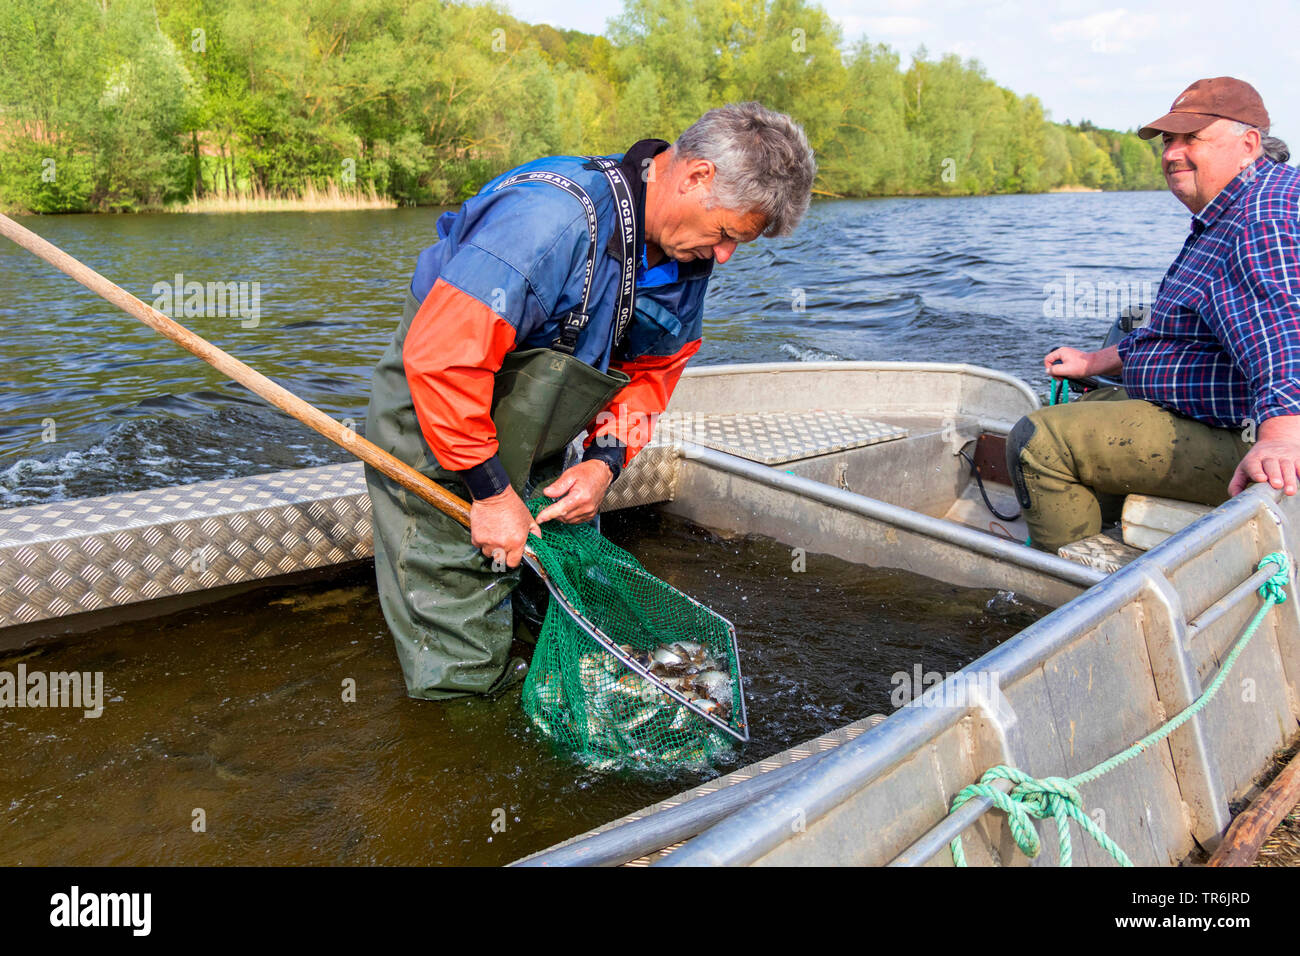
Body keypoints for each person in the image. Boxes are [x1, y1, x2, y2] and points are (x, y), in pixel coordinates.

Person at [365, 102, 816, 698]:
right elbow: (446, 358)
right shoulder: (549, 220)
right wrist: (492, 492)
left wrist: (604, 462)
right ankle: (466, 718)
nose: (725, 255)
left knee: (555, 595)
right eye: (729, 233)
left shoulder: (686, 251)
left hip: (537, 424)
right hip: (439, 419)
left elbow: (653, 372)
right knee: (458, 628)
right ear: (697, 176)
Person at [1007, 77, 1299, 554]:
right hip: (1222, 416)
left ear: (1248, 144)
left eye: (1192, 138)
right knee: (1069, 412)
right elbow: (1179, 331)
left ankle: (1079, 599)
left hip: (1255, 439)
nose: (1171, 153)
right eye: (1168, 140)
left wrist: (1284, 435)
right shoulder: (1230, 210)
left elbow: (1284, 332)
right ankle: (1091, 533)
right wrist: (1094, 362)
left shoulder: (1263, 218)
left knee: (1040, 441)